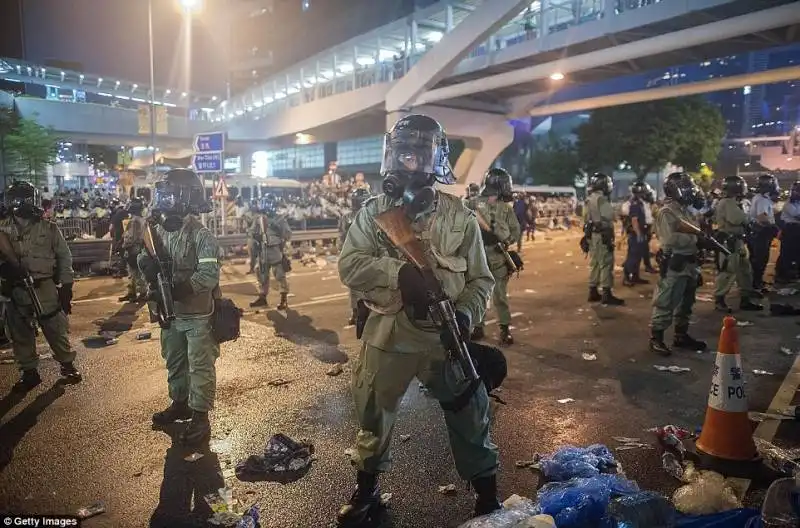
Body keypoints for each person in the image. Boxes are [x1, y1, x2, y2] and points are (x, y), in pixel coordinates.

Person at [337, 114, 500, 525]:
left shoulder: (459, 217)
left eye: (417, 154)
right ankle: (366, 489)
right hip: (389, 333)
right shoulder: (375, 213)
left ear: (435, 160)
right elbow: (350, 265)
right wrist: (398, 274)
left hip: (445, 340)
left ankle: (486, 495)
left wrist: (465, 314)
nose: (407, 162)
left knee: (470, 411)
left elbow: (481, 279)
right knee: (373, 412)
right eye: (401, 153)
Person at [138, 169, 220, 445]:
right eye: (161, 194)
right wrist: (146, 266)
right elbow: (143, 257)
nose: (163, 200)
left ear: (185, 198)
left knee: (199, 367)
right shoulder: (157, 230)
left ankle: (200, 417)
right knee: (174, 361)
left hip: (197, 315)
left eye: (169, 195)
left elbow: (209, 275)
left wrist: (180, 290)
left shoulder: (202, 235)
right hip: (170, 314)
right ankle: (180, 403)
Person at [0, 181, 80, 391]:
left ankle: (67, 364)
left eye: (24, 199)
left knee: (55, 328)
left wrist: (66, 286)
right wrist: (4, 270)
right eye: (17, 199)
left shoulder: (49, 228)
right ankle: (29, 371)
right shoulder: (2, 229)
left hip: (43, 286)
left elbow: (64, 257)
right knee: (19, 332)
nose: (21, 204)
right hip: (14, 288)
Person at [649, 172, 708, 356]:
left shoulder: (684, 210)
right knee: (666, 301)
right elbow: (669, 240)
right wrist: (695, 240)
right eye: (687, 188)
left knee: (686, 303)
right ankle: (656, 338)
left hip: (689, 263)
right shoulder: (667, 212)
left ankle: (681, 336)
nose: (691, 191)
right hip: (676, 262)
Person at [467, 168, 521, 345]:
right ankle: (478, 327)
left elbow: (515, 231)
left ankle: (504, 329)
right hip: (478, 256)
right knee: (479, 293)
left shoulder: (505, 208)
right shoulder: (473, 204)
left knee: (499, 295)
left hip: (498, 255)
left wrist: (506, 242)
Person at [713, 176, 763, 312]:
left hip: (738, 241)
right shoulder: (727, 202)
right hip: (729, 242)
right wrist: (751, 220)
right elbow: (737, 219)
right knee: (728, 271)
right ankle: (719, 299)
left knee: (745, 271)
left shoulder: (735, 202)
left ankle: (745, 299)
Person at [585, 173, 624, 305]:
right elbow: (611, 216)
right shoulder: (601, 199)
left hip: (593, 235)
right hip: (603, 234)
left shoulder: (589, 198)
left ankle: (593, 290)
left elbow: (585, 218)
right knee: (606, 263)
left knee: (594, 263)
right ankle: (607, 294)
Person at [249, 194, 291, 310]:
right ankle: (262, 297)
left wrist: (279, 234)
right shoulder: (259, 219)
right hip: (262, 249)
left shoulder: (280, 219)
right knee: (261, 273)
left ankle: (284, 299)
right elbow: (252, 232)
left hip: (275, 249)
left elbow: (287, 234)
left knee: (279, 275)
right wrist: (255, 238)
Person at [338, 187, 371, 325]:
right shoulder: (347, 217)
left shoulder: (370, 215)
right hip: (353, 253)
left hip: (369, 253)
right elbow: (342, 235)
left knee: (370, 284)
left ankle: (369, 311)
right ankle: (355, 312)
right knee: (353, 286)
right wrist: (343, 252)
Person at [748, 173, 780, 291]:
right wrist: (774, 227)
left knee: (757, 258)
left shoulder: (760, 198)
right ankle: (756, 285)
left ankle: (756, 282)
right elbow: (762, 217)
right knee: (760, 259)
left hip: (757, 233)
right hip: (760, 233)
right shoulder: (762, 199)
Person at [622, 181, 652, 287]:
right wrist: (638, 233)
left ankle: (635, 276)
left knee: (638, 256)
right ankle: (626, 278)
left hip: (640, 232)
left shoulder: (638, 202)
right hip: (636, 234)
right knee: (632, 256)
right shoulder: (635, 203)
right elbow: (634, 220)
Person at [118, 198, 147, 303]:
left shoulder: (134, 221)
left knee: (134, 272)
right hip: (139, 248)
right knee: (135, 272)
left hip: (133, 249)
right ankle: (134, 293)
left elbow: (130, 236)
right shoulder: (142, 220)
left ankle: (138, 293)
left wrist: (124, 245)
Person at [775, 180, 800, 283]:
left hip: (797, 229)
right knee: (786, 253)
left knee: (797, 252)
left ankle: (794, 273)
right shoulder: (789, 203)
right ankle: (782, 274)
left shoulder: (798, 202)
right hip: (790, 229)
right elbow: (798, 216)